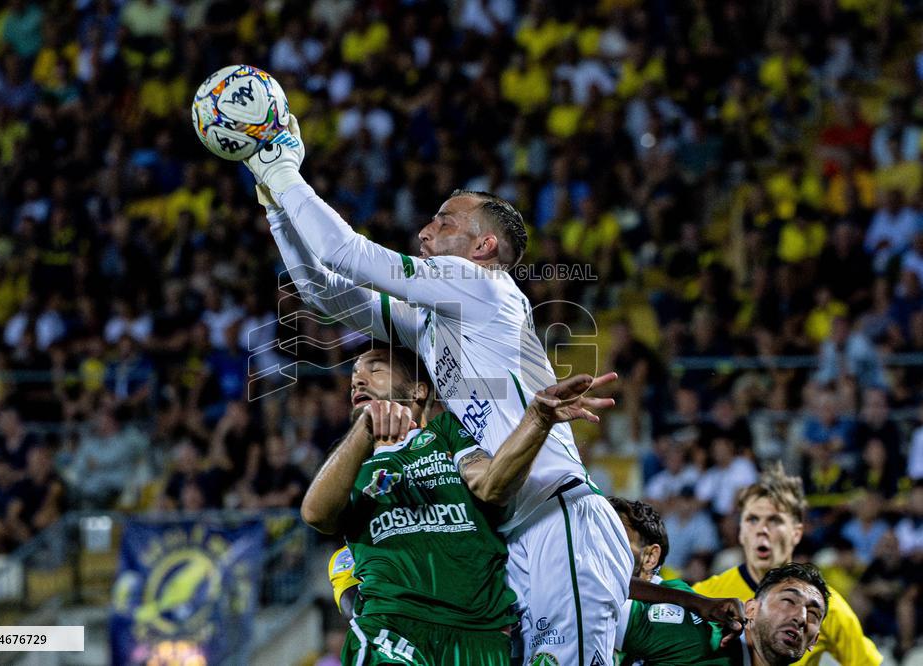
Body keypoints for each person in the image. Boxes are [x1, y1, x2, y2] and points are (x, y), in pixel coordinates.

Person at [246, 113, 743, 664]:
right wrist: (273, 202)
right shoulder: (436, 323)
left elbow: (348, 254)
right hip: (512, 533)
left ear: (483, 246)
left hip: (560, 521)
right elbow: (325, 295)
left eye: (443, 221)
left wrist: (285, 168)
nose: (424, 232)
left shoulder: (482, 288)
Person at [300, 346, 617, 664]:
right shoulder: (350, 462)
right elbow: (316, 514)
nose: (358, 381)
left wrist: (537, 419)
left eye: (375, 368)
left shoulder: (446, 433)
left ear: (418, 391)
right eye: (354, 376)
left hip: (480, 634)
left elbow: (492, 485)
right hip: (394, 627)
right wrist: (364, 430)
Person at [693, 464, 881, 665]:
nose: (762, 529)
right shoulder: (704, 596)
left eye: (774, 520)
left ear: (796, 532)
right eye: (753, 519)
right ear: (741, 531)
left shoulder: (827, 608)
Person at [611, 498, 828, 666]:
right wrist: (694, 601)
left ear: (814, 641)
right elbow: (596, 591)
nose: (800, 617)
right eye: (789, 600)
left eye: (813, 614)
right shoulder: (697, 637)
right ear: (751, 608)